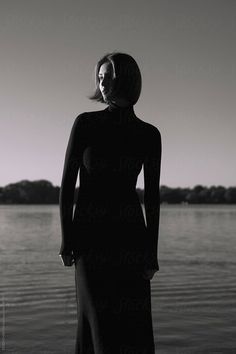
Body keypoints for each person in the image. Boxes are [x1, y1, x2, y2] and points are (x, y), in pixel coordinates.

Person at [59, 52, 162, 354]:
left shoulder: (149, 134)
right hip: (89, 242)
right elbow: (67, 187)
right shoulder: (86, 124)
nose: (102, 84)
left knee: (132, 329)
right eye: (99, 78)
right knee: (98, 327)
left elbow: (152, 197)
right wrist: (66, 241)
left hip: (131, 240)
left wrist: (151, 253)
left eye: (108, 77)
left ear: (125, 80)